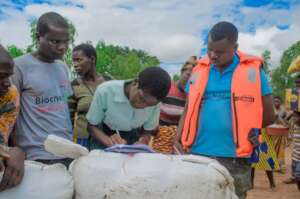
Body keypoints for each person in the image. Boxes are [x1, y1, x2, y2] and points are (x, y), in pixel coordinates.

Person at [174, 21, 275, 199]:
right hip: (197, 152)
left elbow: (269, 115)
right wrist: (178, 137)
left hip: (235, 155)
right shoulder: (200, 70)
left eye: (220, 52)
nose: (213, 56)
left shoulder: (253, 71)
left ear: (235, 47)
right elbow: (188, 108)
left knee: (233, 195)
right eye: (210, 49)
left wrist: (252, 128)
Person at [11, 12, 73, 167]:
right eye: (55, 41)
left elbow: (63, 107)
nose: (62, 47)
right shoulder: (19, 67)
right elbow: (9, 113)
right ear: (39, 36)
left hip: (67, 151)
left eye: (66, 42)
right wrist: (16, 150)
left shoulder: (62, 67)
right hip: (37, 155)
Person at [86, 67, 171, 149]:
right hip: (103, 135)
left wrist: (142, 141)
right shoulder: (105, 91)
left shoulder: (156, 103)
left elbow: (147, 130)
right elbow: (91, 126)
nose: (141, 106)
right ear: (135, 83)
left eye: (149, 105)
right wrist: (109, 142)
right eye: (141, 98)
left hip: (134, 136)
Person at [152, 57, 196, 153]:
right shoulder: (167, 88)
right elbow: (153, 108)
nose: (187, 84)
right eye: (187, 75)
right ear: (182, 73)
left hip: (179, 139)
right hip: (160, 136)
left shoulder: (192, 95)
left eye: (191, 82)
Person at [68, 44, 105, 148]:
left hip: (106, 139)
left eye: (79, 60)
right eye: (73, 61)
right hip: (82, 140)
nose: (75, 64)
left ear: (92, 59)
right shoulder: (74, 85)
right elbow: (68, 117)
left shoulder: (109, 81)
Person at [0, 45, 25, 191]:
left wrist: (15, 153)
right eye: (1, 76)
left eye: (9, 75)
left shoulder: (9, 94)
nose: (8, 83)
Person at [272, 96, 288, 173]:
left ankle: (280, 166)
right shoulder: (271, 110)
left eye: (278, 101)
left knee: (280, 150)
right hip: (272, 133)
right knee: (272, 149)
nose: (276, 103)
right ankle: (272, 166)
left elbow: (286, 120)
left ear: (280, 103)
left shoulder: (283, 110)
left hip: (280, 133)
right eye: (275, 101)